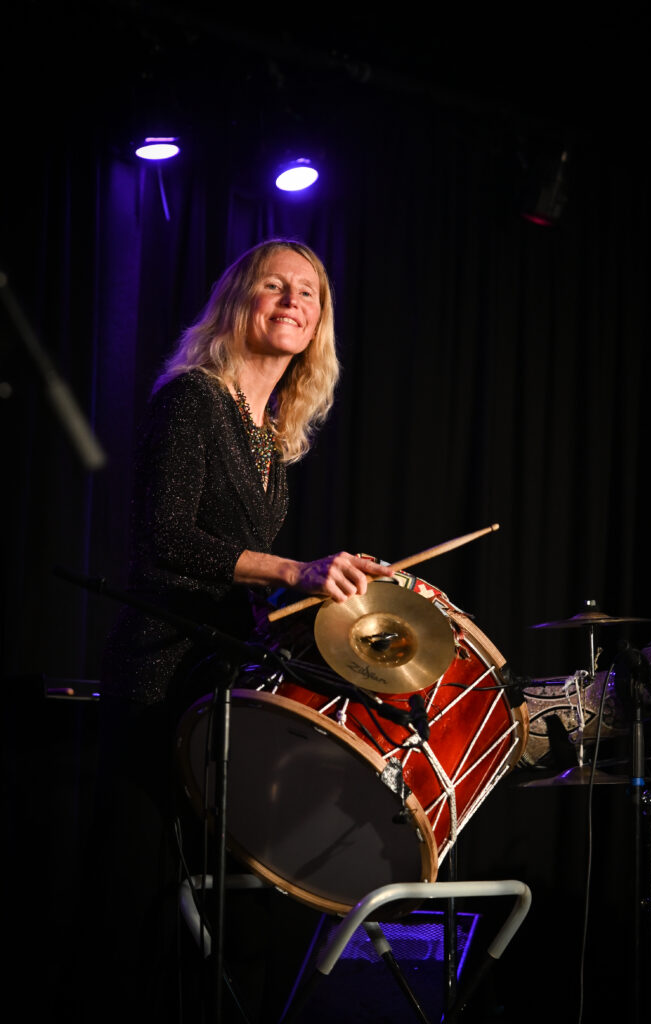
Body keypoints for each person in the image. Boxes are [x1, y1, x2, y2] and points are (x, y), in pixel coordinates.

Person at [81, 239, 393, 1022]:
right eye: (274, 286)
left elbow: (233, 572)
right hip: (159, 678)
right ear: (238, 301)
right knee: (140, 898)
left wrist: (330, 585)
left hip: (216, 679)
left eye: (308, 293)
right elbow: (161, 541)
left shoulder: (272, 437)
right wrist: (293, 569)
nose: (293, 301)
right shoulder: (192, 398)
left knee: (214, 906)